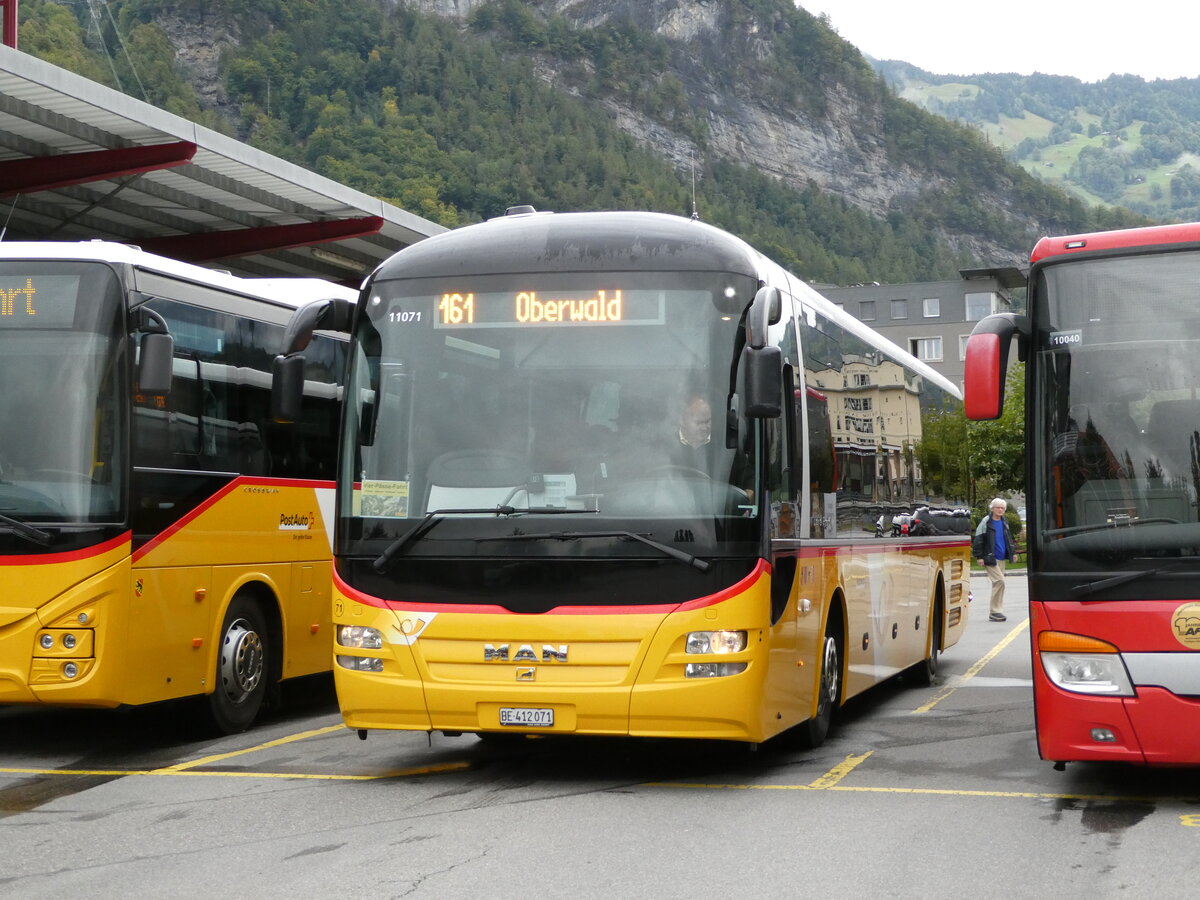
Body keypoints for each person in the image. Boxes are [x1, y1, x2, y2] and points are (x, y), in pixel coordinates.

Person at [973, 498, 1017, 622]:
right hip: (990, 557)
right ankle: (995, 611)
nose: (1000, 510)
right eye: (998, 507)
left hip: (1001, 557)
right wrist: (979, 556)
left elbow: (1008, 538)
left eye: (1002, 508)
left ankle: (996, 611)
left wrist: (1012, 553)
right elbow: (978, 538)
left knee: (997, 584)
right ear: (992, 508)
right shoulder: (986, 521)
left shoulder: (1004, 521)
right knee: (1000, 581)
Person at [669, 393, 712, 471]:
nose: (704, 428)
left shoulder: (723, 445)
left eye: (707, 421)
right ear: (681, 420)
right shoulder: (668, 445)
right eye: (698, 422)